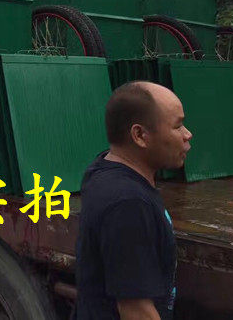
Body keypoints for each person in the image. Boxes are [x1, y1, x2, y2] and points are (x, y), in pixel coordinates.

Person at [76, 81, 192, 319]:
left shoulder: (104, 167)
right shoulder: (128, 203)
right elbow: (136, 311)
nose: (187, 134)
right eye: (177, 125)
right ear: (139, 135)